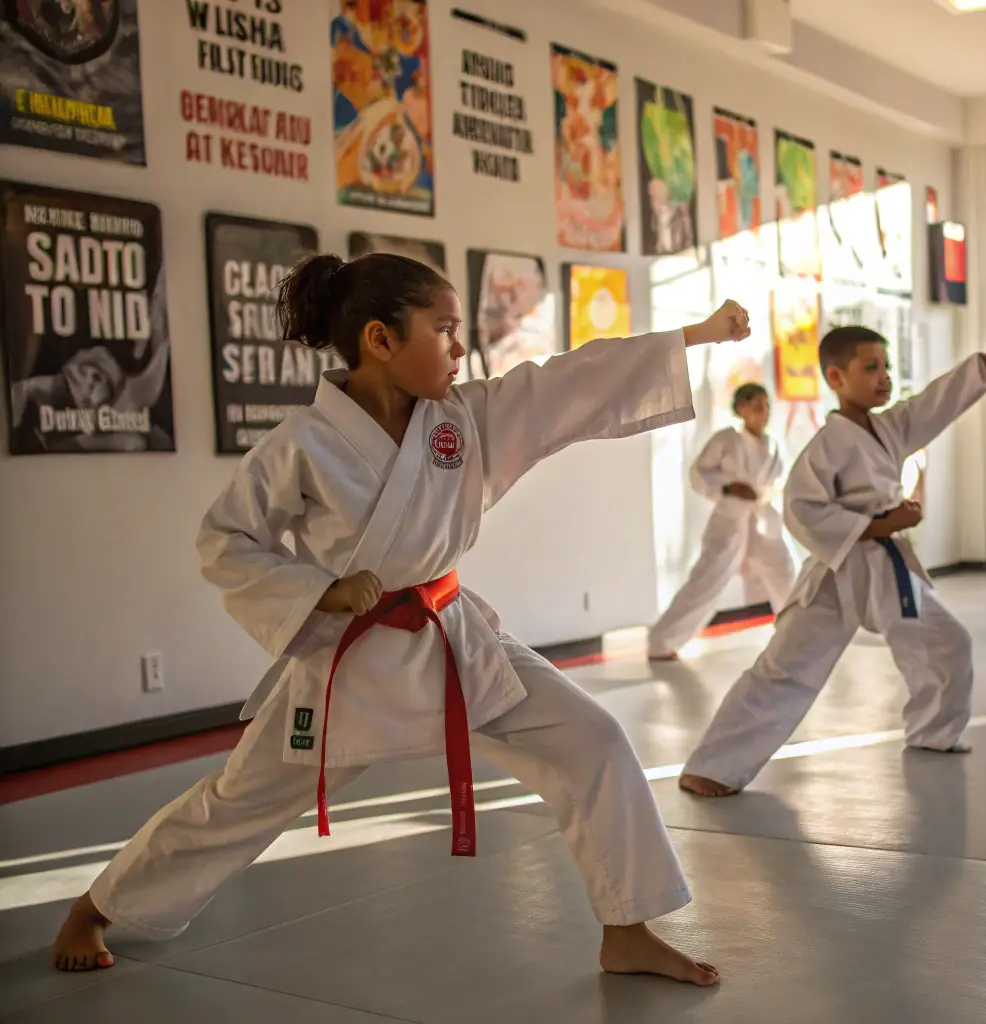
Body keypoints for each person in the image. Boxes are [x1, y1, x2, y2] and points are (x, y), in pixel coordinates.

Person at [51, 252, 753, 986]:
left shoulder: (466, 418)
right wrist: (317, 590)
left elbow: (568, 381)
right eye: (444, 330)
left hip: (454, 640)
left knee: (595, 741)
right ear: (381, 341)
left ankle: (627, 928)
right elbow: (225, 539)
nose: (460, 348)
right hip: (354, 664)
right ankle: (97, 905)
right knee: (239, 802)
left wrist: (691, 336)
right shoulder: (302, 445)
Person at [677, 326, 986, 798]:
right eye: (871, 368)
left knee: (948, 644)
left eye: (887, 367)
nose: (884, 377)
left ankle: (934, 731)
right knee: (787, 668)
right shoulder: (824, 447)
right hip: (838, 570)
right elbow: (802, 510)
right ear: (836, 378)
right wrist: (882, 523)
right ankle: (713, 766)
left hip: (888, 570)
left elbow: (934, 402)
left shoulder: (892, 427)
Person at [647, 382, 795, 661]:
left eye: (766, 405)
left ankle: (798, 636)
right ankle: (662, 642)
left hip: (762, 519)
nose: (764, 412)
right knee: (707, 580)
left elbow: (778, 481)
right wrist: (728, 488)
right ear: (741, 409)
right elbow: (698, 474)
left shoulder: (773, 444)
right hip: (731, 520)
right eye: (756, 405)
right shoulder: (727, 439)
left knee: (785, 573)